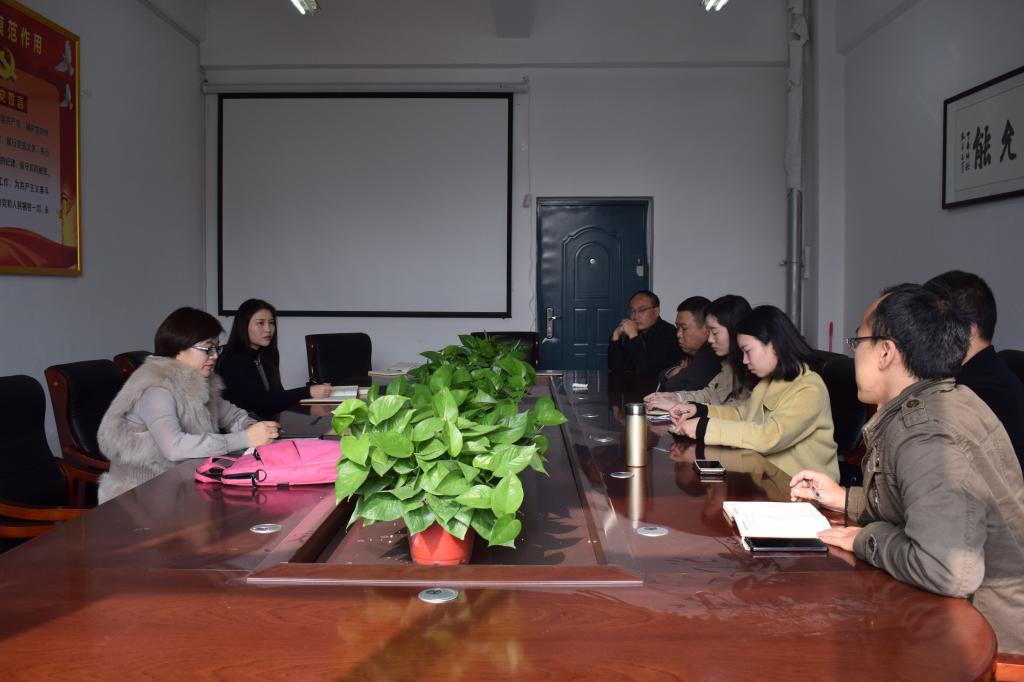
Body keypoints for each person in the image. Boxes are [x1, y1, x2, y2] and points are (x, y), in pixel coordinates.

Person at [790, 284, 1024, 654]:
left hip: (985, 644)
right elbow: (916, 503)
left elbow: (945, 569)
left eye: (858, 342)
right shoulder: (942, 400)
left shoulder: (927, 435)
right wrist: (846, 499)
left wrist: (866, 538)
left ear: (885, 352)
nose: (855, 354)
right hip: (953, 620)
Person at [97, 307, 280, 503]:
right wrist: (245, 438)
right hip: (139, 499)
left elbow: (232, 416)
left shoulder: (199, 382)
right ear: (178, 349)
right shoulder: (156, 389)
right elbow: (174, 447)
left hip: (179, 488)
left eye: (216, 347)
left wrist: (251, 427)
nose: (215, 355)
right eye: (207, 348)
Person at [670, 305, 838, 481]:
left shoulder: (809, 388)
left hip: (803, 490)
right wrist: (698, 410)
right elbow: (742, 413)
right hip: (769, 480)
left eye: (748, 351)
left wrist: (704, 427)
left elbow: (769, 437)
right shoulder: (768, 381)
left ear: (774, 345)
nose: (744, 360)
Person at [925, 270, 1024, 471]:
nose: (922, 335)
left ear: (967, 330)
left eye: (930, 324)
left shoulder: (982, 391)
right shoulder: (979, 375)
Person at [218, 298, 332, 419]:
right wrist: (308, 391)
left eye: (271, 323)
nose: (268, 329)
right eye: (260, 323)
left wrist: (310, 408)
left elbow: (277, 397)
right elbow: (260, 403)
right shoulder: (231, 359)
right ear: (243, 325)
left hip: (267, 423)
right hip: (244, 426)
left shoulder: (266, 354)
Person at [645, 294, 753, 411]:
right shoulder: (729, 365)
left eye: (714, 332)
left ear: (734, 330)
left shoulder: (753, 369)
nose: (710, 339)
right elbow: (709, 394)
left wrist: (694, 410)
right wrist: (676, 397)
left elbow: (738, 414)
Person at [653, 296, 721, 393]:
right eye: (677, 328)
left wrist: (676, 375)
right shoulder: (689, 353)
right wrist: (672, 373)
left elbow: (673, 386)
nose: (678, 334)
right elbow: (662, 375)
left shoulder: (712, 356)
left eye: (684, 328)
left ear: (707, 329)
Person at [608, 290, 683, 375]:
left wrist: (633, 336)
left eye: (641, 310)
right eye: (632, 311)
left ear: (656, 312)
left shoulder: (669, 333)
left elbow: (647, 371)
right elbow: (616, 367)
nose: (635, 316)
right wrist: (616, 336)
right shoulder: (634, 333)